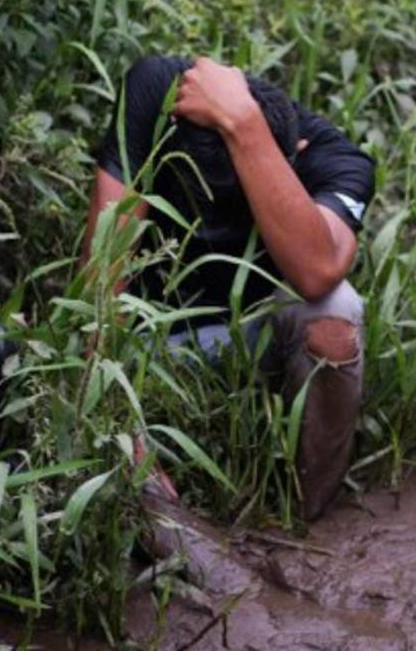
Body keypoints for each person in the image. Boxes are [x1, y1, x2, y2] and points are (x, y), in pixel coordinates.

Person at [82, 55, 376, 520]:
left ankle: (308, 514)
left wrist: (244, 126)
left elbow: (318, 272)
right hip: (144, 346)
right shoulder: (160, 95)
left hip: (252, 340)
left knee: (336, 309)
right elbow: (101, 282)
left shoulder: (332, 157)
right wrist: (115, 421)